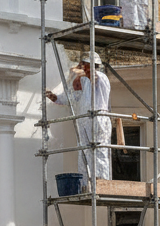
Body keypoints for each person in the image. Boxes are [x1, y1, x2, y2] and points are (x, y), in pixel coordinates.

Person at [45, 52, 112, 184]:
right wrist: (53, 96)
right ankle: (86, 183)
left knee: (99, 151)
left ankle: (102, 182)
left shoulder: (101, 77)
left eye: (85, 65)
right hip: (83, 120)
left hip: (98, 119)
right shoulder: (82, 81)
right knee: (84, 154)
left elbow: (93, 76)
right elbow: (68, 99)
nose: (82, 68)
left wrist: (78, 71)